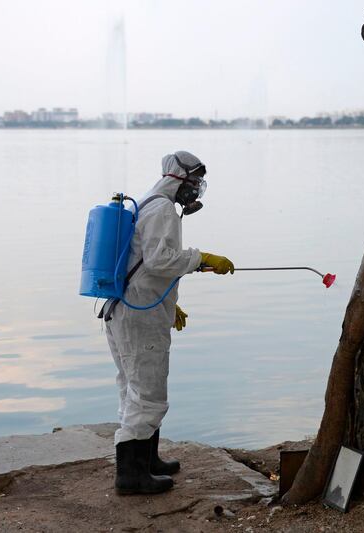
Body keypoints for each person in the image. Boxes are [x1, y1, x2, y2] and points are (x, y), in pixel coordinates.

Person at [101, 151, 234, 495]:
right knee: (147, 394)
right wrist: (201, 257)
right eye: (194, 182)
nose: (196, 189)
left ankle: (147, 461)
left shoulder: (149, 203)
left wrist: (171, 304)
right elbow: (161, 260)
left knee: (134, 389)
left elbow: (145, 264)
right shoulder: (162, 209)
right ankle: (130, 477)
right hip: (139, 316)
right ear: (179, 178)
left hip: (129, 309)